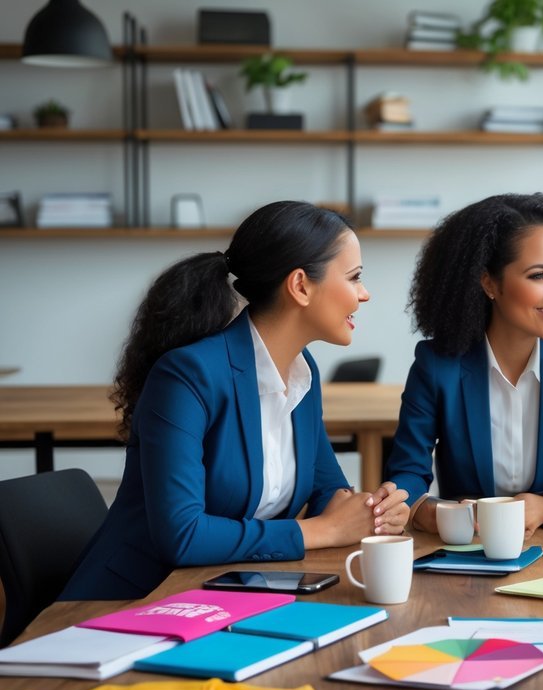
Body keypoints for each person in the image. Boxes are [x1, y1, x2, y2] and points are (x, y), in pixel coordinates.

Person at [61, 201, 409, 601]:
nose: (364, 294)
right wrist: (324, 530)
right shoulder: (187, 376)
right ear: (300, 286)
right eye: (355, 278)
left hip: (224, 595)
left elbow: (327, 489)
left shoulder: (301, 371)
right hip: (129, 602)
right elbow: (183, 534)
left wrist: (373, 512)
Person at [386, 193, 543, 539]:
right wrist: (432, 512)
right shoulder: (437, 365)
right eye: (539, 276)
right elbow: (407, 473)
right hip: (461, 549)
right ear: (489, 283)